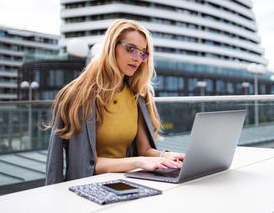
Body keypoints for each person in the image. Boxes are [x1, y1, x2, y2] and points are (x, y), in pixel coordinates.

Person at [45, 19, 184, 185]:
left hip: (124, 183)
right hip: (87, 188)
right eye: (131, 49)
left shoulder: (138, 95)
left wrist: (167, 156)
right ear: (112, 47)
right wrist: (137, 162)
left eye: (143, 53)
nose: (138, 58)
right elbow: (87, 164)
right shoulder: (79, 96)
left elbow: (145, 150)